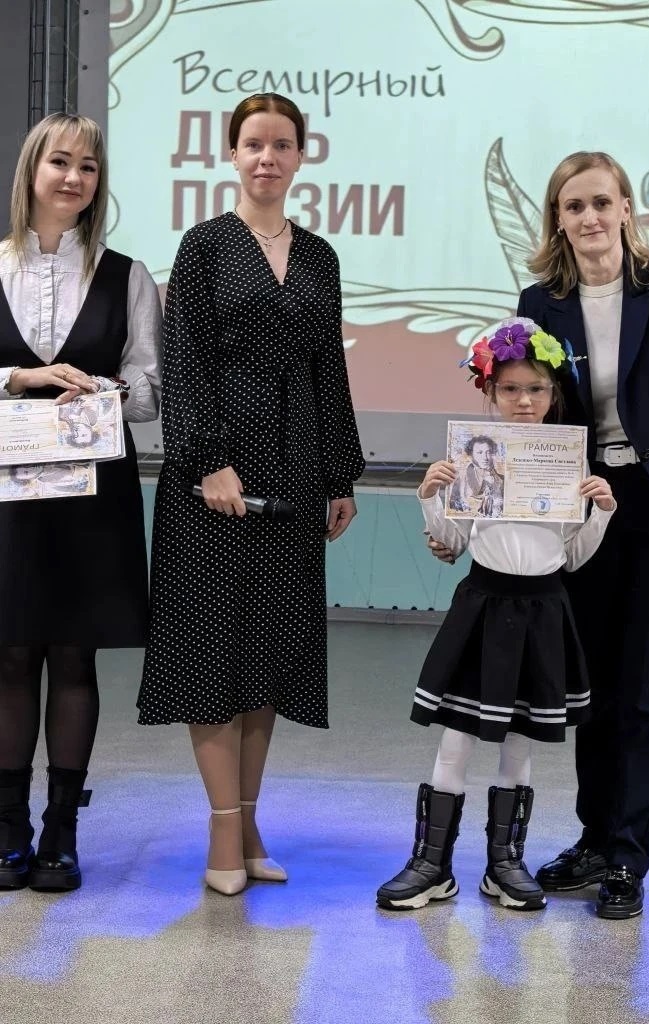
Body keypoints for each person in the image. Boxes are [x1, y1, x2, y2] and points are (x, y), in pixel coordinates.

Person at [502, 151, 649, 918]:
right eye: (573, 206)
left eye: (601, 202)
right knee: (594, 690)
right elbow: (530, 408)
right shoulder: (539, 303)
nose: (590, 217)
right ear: (558, 219)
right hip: (586, 505)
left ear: (627, 209)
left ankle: (628, 858)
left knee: (647, 694)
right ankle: (594, 839)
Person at [137, 93, 365, 896]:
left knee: (268, 652)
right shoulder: (203, 246)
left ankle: (249, 820)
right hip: (215, 478)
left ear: (301, 156)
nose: (268, 157)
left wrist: (338, 474)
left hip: (296, 466)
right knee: (213, 651)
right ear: (231, 154)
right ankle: (222, 835)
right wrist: (207, 462)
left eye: (282, 144)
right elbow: (184, 359)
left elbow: (328, 369)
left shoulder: (320, 256)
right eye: (254, 144)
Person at [376, 318, 616, 912]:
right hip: (483, 608)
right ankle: (431, 864)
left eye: (536, 389)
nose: (524, 400)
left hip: (543, 612)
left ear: (553, 393)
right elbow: (453, 543)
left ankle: (504, 863)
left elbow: (572, 558)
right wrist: (430, 495)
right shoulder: (472, 458)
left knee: (519, 741)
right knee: (457, 736)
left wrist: (602, 512)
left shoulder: (566, 465)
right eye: (510, 389)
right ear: (489, 392)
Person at [0, 113, 162, 892]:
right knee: (7, 654)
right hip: (7, 497)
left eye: (88, 167)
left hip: (93, 495)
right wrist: (20, 377)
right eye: (60, 162)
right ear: (31, 170)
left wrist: (107, 390)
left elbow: (153, 391)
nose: (73, 178)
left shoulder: (129, 275)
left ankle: (60, 834)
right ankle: (7, 830)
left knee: (73, 654)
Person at [448, 435, 504, 517]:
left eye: (488, 452)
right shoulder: (461, 478)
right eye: (479, 452)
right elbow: (454, 509)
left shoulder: (501, 480)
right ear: (471, 454)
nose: (485, 457)